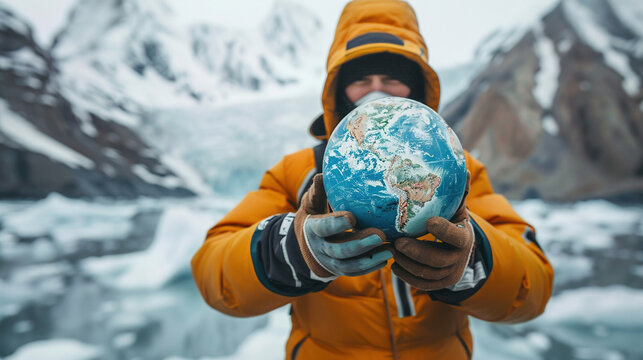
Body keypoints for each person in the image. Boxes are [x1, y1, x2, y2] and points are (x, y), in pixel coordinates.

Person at [191, 0, 554, 359]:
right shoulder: (299, 174)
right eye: (361, 79)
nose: (375, 90)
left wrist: (475, 259)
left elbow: (532, 287)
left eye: (393, 78)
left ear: (418, 89)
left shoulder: (457, 174)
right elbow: (216, 276)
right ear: (338, 92)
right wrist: (295, 249)